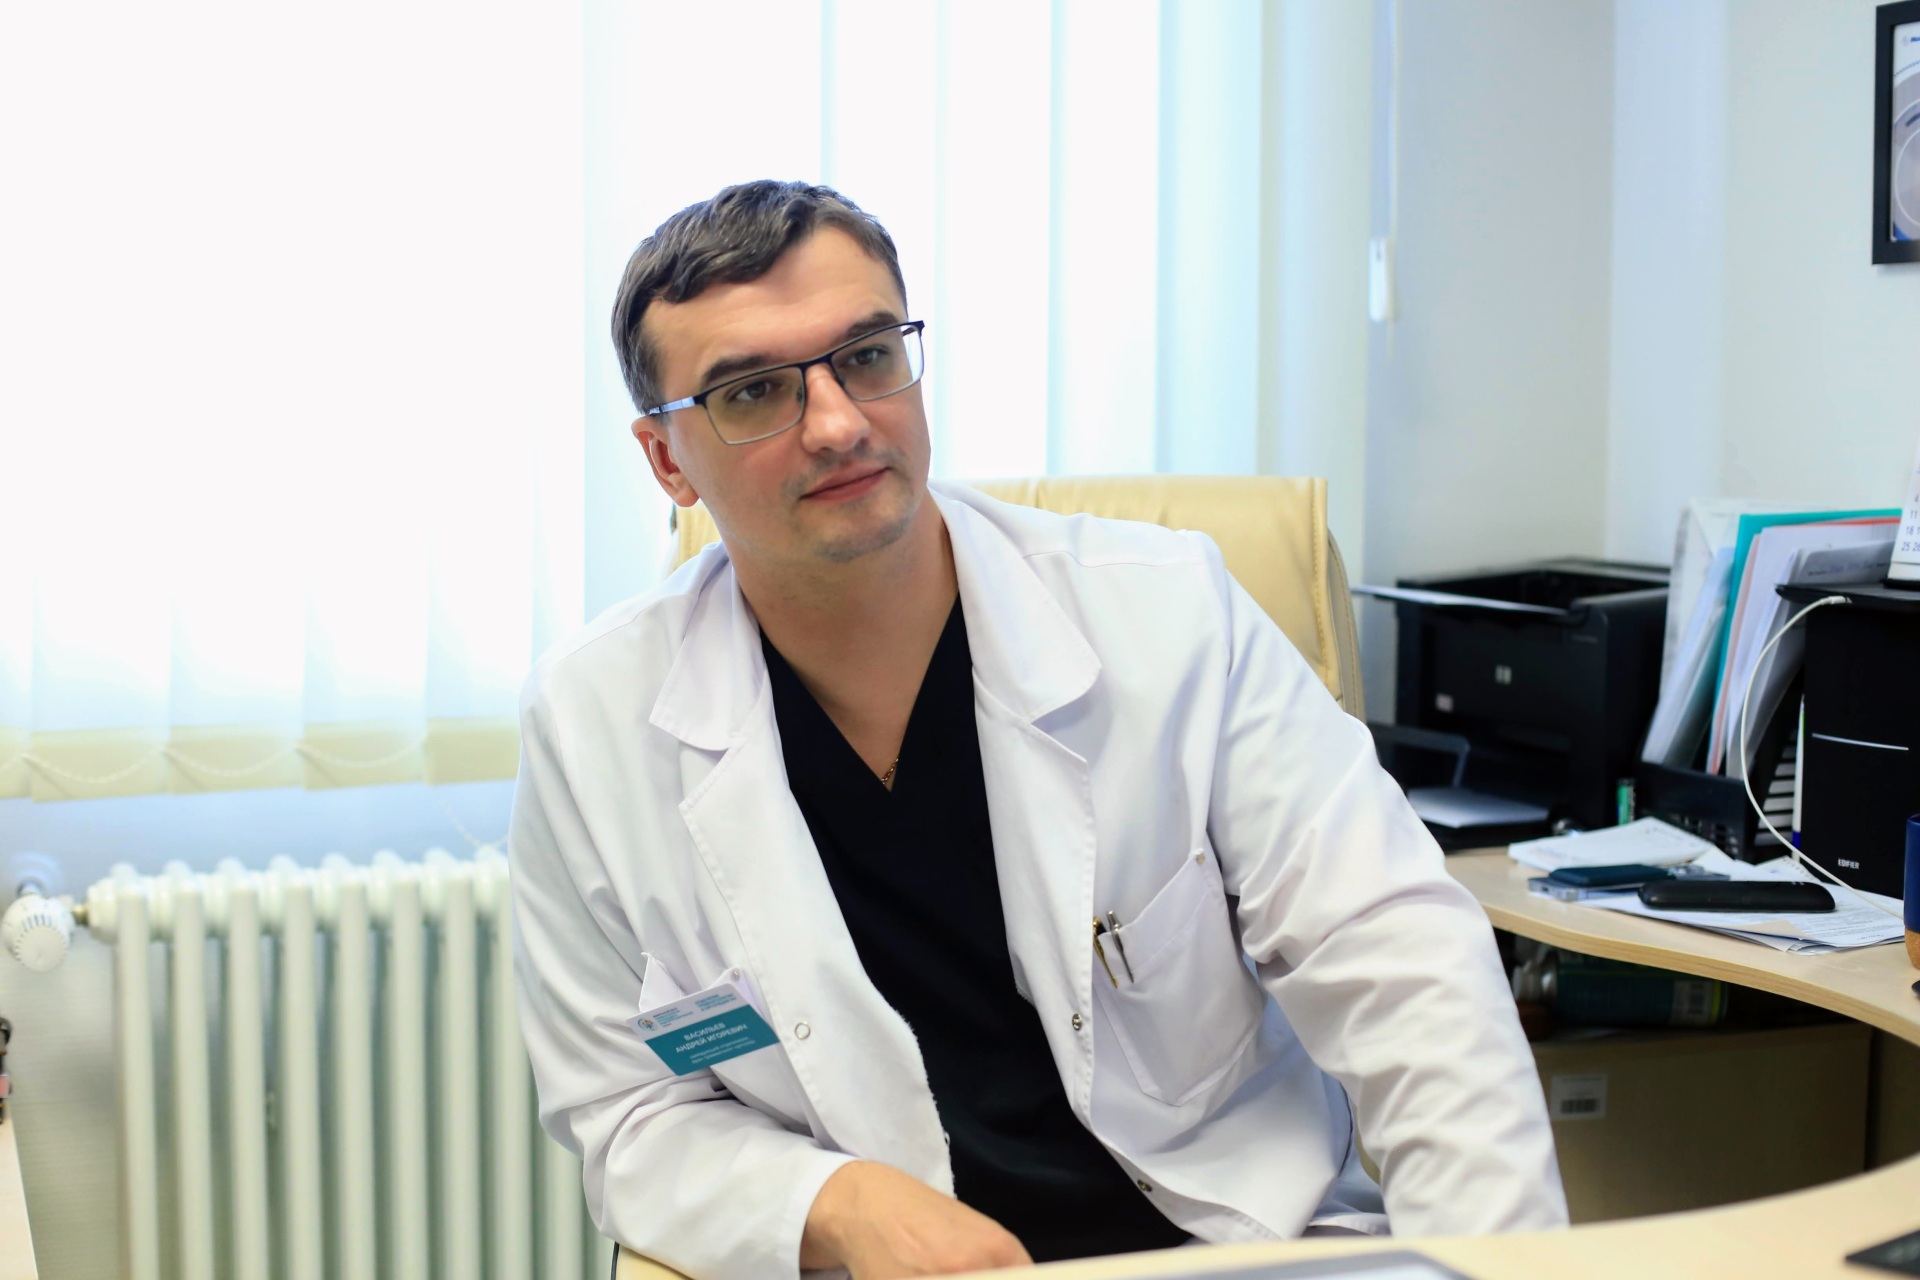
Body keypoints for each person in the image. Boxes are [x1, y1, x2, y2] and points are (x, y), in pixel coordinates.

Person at [509, 179, 1567, 1280]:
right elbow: (630, 1113)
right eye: (753, 391)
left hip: (1230, 1250)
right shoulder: (592, 726)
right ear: (667, 459)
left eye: (867, 355)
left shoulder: (1171, 615)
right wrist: (834, 1202)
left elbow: (1403, 966)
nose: (838, 423)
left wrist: (1492, 1268)